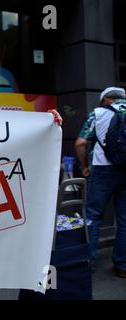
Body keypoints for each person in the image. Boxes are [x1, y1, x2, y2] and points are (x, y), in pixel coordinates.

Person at [75, 86, 126, 278]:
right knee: (123, 220)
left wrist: (84, 166)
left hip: (103, 170)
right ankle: (122, 265)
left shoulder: (98, 113)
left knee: (94, 216)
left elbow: (80, 142)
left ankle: (88, 261)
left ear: (106, 100)